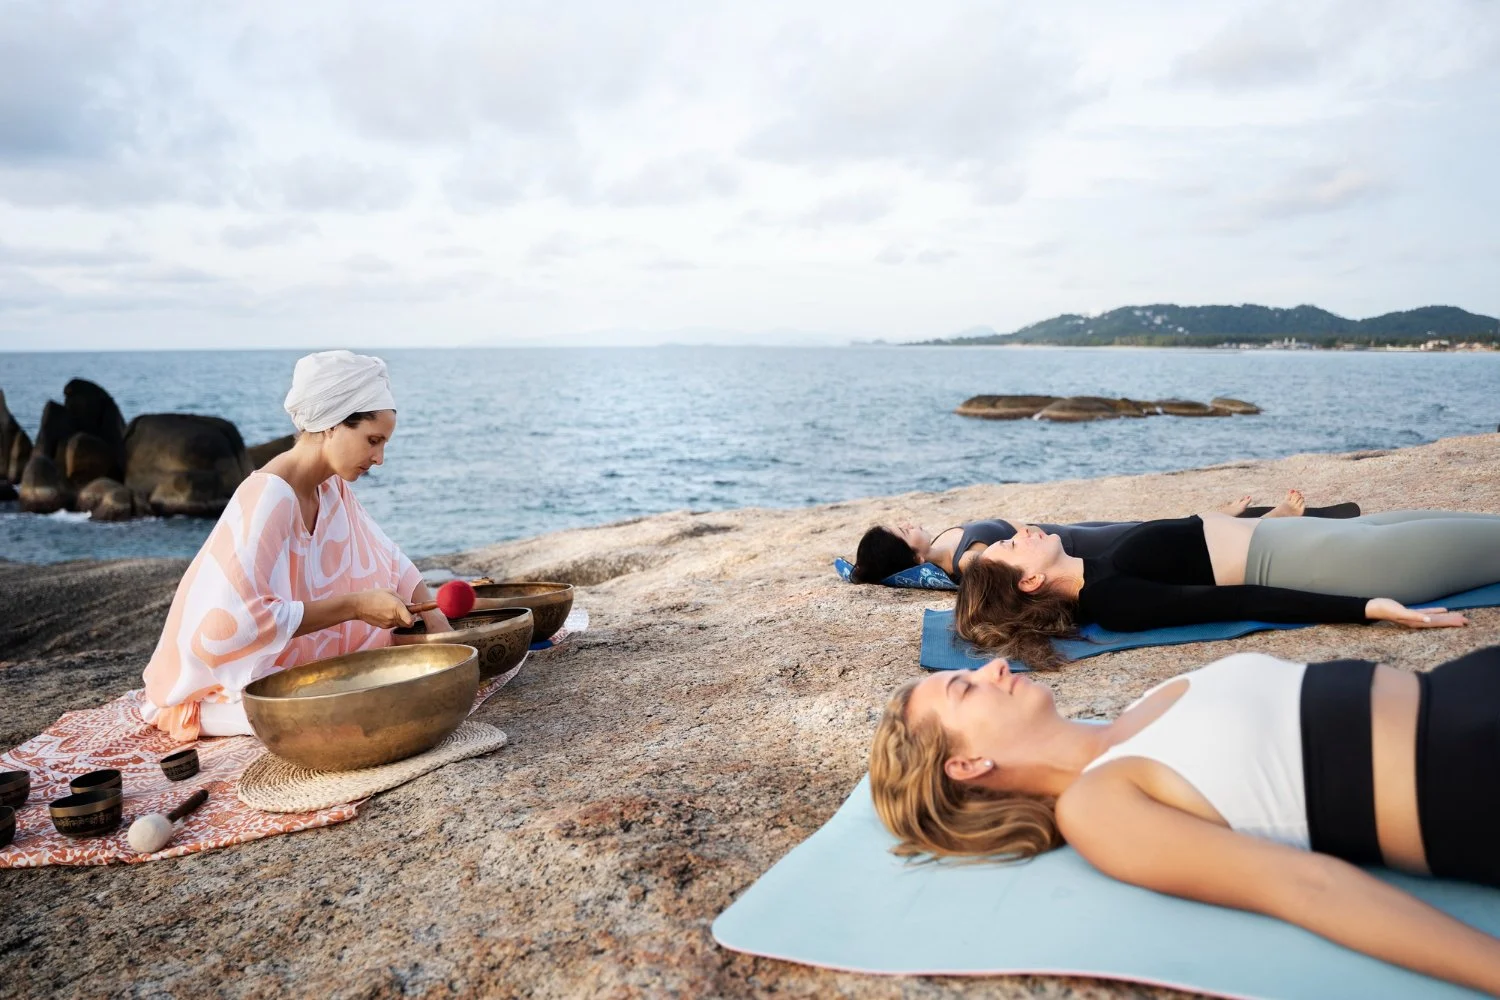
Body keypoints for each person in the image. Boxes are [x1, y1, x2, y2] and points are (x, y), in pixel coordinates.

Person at [869, 647, 1500, 994]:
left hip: (1474, 684)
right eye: (967, 688)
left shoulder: (1142, 707)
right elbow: (1306, 888)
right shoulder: (1098, 807)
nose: (995, 666)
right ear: (967, 764)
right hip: (1471, 773)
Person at [141, 350, 450, 741]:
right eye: (373, 440)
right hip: (218, 692)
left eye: (383, 443)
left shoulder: (330, 486)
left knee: (397, 694)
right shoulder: (270, 495)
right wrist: (355, 606)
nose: (379, 458)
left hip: (284, 675)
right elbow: (233, 624)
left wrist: (436, 617)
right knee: (360, 719)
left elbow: (386, 557)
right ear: (331, 425)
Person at [953, 508, 1500, 668]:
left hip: (1333, 534)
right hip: (1349, 563)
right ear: (1030, 580)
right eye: (1012, 545)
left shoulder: (1094, 561)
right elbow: (1241, 601)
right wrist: (1370, 608)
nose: (1020, 531)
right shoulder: (1112, 600)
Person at [850, 491, 1359, 585]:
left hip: (1075, 531)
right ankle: (1273, 521)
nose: (905, 521)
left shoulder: (945, 539)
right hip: (1080, 550)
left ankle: (1223, 518)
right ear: (907, 551)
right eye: (899, 531)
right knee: (1171, 541)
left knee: (1158, 529)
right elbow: (1001, 577)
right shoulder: (967, 561)